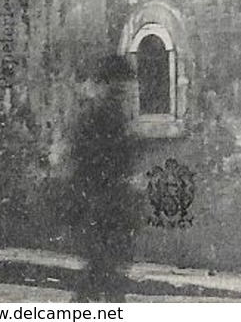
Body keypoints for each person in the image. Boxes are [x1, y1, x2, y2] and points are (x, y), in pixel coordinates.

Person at [67, 55, 140, 302]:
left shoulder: (113, 115)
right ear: (105, 84)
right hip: (99, 205)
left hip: (110, 206)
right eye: (117, 87)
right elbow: (87, 161)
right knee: (103, 275)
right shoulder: (96, 116)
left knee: (103, 276)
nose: (123, 93)